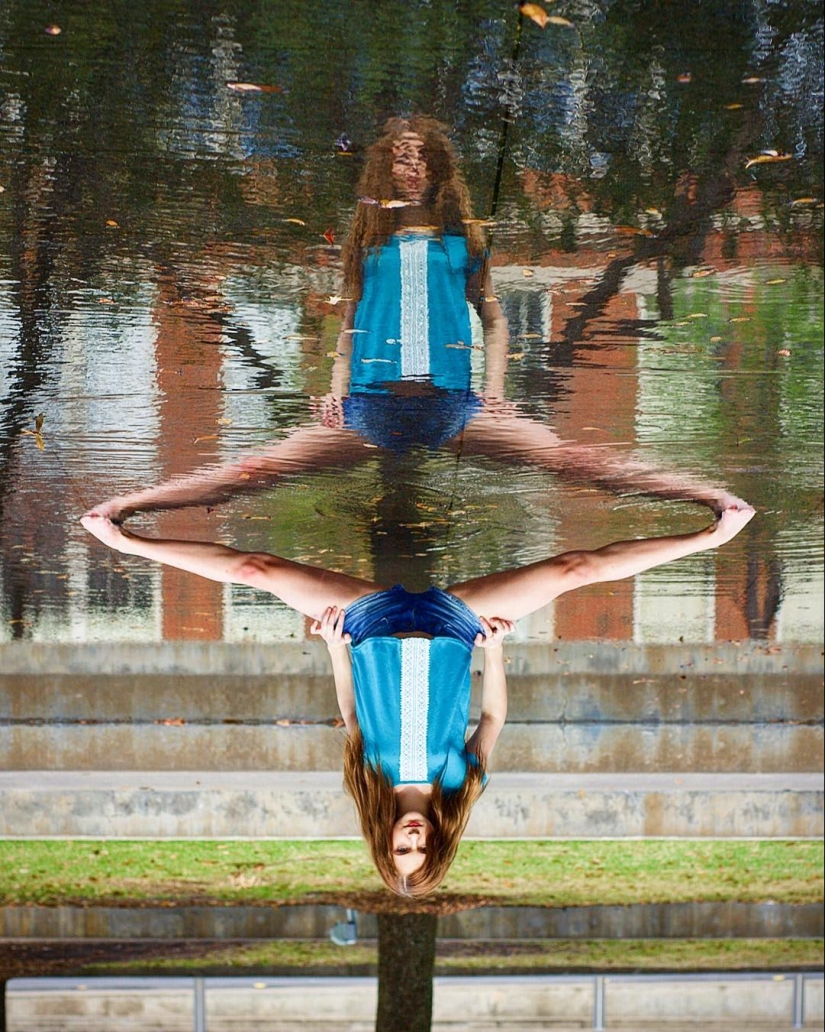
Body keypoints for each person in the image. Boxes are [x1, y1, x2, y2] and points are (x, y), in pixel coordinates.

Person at [80, 500, 755, 896]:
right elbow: (493, 716)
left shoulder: (367, 783)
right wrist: (493, 650)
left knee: (258, 572)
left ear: (384, 846)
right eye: (420, 854)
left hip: (368, 631)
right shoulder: (459, 788)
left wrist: (332, 645)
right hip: (453, 629)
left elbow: (349, 715)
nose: (411, 844)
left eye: (401, 853)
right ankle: (710, 534)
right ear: (435, 846)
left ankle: (124, 538)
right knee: (570, 570)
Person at [91, 116, 747, 522]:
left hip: (456, 411)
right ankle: (123, 507)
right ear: (384, 167)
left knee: (576, 460)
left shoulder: (462, 238)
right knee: (252, 473)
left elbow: (493, 319)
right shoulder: (365, 239)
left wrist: (493, 390)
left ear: (436, 168)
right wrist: (335, 387)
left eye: (419, 156)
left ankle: (712, 498)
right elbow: (348, 322)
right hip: (367, 412)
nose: (407, 165)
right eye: (397, 156)